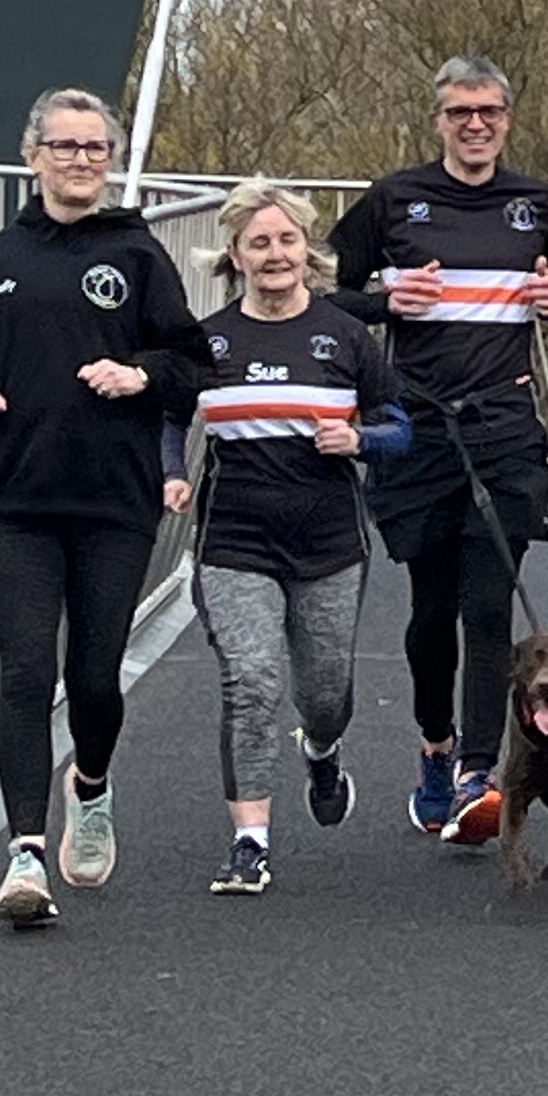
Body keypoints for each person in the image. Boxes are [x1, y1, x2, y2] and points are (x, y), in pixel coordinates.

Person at [0, 87, 205, 927]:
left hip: (111, 497)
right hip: (15, 494)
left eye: (94, 148)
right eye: (65, 146)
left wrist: (139, 377)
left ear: (109, 160)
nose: (80, 160)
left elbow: (190, 362)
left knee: (92, 677)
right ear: (32, 155)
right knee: (25, 672)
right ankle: (24, 854)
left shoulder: (136, 254)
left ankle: (89, 781)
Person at [329, 58, 548, 846]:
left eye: (491, 111)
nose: (477, 124)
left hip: (503, 425)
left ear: (508, 117)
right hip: (417, 428)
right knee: (432, 612)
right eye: (461, 112)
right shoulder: (394, 199)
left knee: (487, 604)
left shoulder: (535, 202)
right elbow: (322, 294)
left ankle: (479, 773)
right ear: (437, 120)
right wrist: (383, 302)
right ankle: (435, 747)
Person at [176, 180, 403, 895]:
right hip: (235, 540)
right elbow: (162, 421)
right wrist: (167, 476)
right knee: (251, 681)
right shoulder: (209, 340)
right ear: (234, 256)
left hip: (328, 543)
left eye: (286, 241)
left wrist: (359, 437)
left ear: (307, 251)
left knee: (324, 692)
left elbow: (402, 430)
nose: (275, 255)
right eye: (258, 243)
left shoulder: (343, 335)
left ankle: (324, 748)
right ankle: (250, 841)